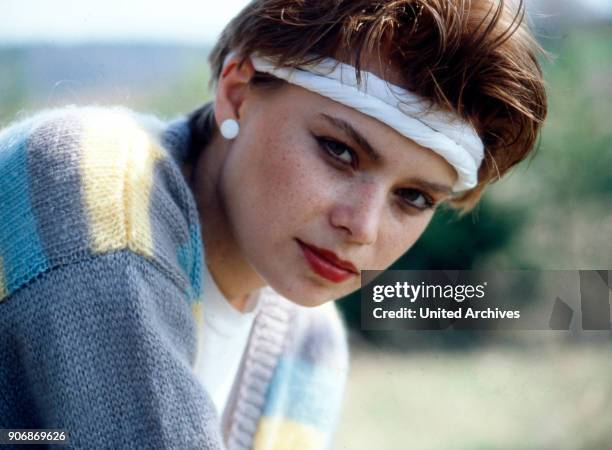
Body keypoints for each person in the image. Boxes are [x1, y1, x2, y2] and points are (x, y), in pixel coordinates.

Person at [0, 0, 546, 448]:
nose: (363, 227)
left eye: (414, 198)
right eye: (339, 150)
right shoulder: (95, 180)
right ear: (237, 91)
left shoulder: (310, 346)